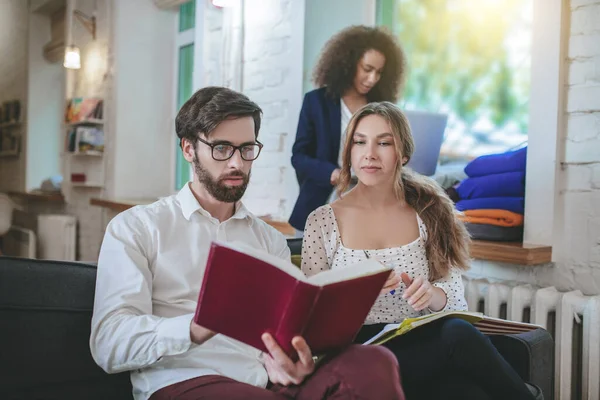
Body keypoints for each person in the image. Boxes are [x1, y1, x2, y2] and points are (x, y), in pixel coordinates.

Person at [89, 86, 405, 400]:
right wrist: (195, 327)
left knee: (374, 362)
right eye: (222, 148)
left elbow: (279, 343)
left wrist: (293, 363)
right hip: (187, 380)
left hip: (267, 382)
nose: (237, 164)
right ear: (188, 148)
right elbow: (109, 343)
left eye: (247, 149)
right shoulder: (138, 227)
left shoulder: (269, 241)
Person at [301, 102, 542, 400]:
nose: (370, 153)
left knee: (469, 391)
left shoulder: (429, 211)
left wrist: (431, 294)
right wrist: (355, 293)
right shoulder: (322, 221)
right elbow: (309, 315)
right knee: (458, 335)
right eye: (360, 142)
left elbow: (454, 298)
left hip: (419, 345)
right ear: (349, 150)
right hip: (357, 353)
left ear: (403, 153)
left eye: (384, 143)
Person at [289, 25, 406, 237]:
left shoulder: (382, 107)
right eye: (367, 69)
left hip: (369, 206)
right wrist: (333, 174)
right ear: (349, 63)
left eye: (379, 72)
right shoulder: (316, 102)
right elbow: (299, 157)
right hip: (318, 203)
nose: (372, 79)